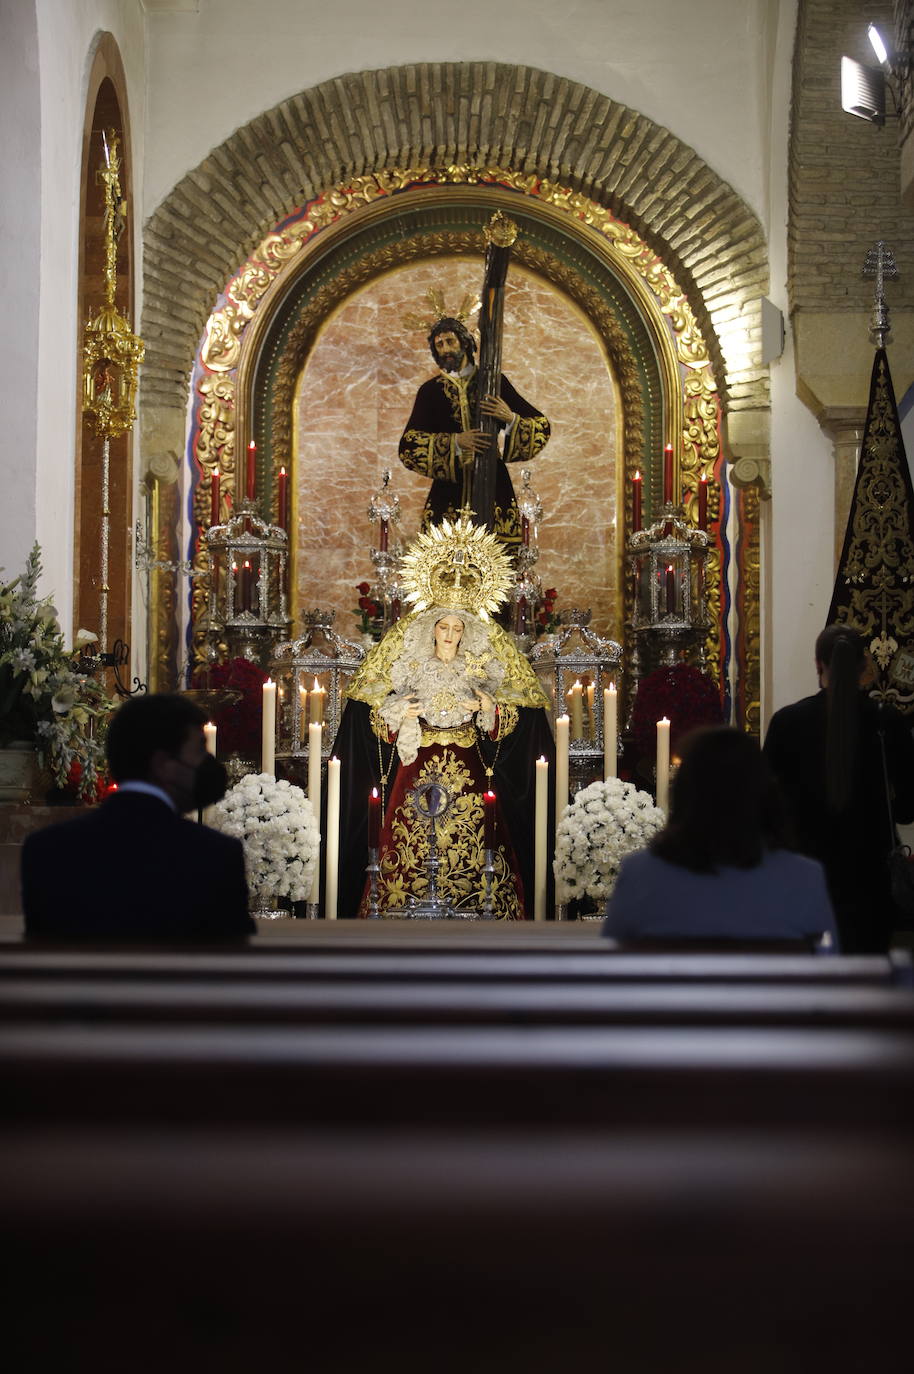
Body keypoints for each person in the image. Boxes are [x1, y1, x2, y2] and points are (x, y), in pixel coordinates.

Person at [333, 517, 555, 919]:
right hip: (416, 764)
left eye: (457, 628)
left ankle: (482, 905)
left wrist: (488, 709)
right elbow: (379, 717)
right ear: (432, 630)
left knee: (477, 837)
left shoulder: (480, 666)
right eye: (443, 626)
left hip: (469, 763)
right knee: (407, 838)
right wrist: (403, 713)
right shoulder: (412, 664)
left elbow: (511, 720)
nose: (450, 634)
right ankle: (399, 907)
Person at [21, 692, 255, 940]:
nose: (207, 762)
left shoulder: (46, 850)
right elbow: (232, 951)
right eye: (199, 750)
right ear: (163, 764)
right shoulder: (215, 855)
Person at [602, 726, 839, 948]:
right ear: (764, 795)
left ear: (684, 794)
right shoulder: (803, 878)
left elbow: (613, 964)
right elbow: (828, 966)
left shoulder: (640, 874)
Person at [763, 624, 914, 953]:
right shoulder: (887, 721)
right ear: (864, 667)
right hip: (871, 884)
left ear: (818, 664)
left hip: (803, 880)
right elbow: (906, 809)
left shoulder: (788, 723)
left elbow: (765, 809)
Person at [398, 315, 550, 548]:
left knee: (500, 559)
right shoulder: (430, 391)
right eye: (439, 345)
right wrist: (456, 442)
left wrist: (509, 419)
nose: (445, 349)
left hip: (493, 486)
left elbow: (540, 425)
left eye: (450, 341)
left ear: (466, 342)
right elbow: (408, 446)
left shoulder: (493, 382)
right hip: (448, 491)